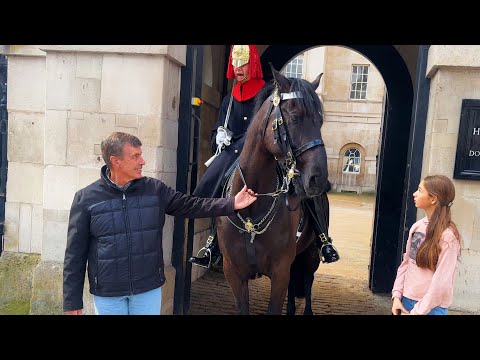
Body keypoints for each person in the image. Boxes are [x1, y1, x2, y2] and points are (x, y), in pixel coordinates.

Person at [63, 132, 257, 315]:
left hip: (147, 288)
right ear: (115, 161)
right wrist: (72, 301)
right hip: (108, 292)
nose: (142, 161)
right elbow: (75, 254)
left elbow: (191, 205)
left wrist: (232, 203)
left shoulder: (154, 190)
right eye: (135, 156)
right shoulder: (86, 199)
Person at [189, 44, 339, 269]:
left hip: (268, 150)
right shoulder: (230, 99)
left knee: (307, 183)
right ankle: (213, 243)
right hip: (235, 152)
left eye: (243, 63)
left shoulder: (269, 94)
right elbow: (218, 128)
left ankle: (321, 237)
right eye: (235, 63)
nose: (238, 68)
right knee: (218, 182)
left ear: (254, 65)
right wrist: (218, 137)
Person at [391, 175, 461, 315]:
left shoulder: (449, 236)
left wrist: (417, 311)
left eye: (419, 190)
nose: (414, 194)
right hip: (406, 300)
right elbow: (406, 264)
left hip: (432, 308)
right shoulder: (417, 227)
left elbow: (441, 282)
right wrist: (397, 296)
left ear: (433, 198)